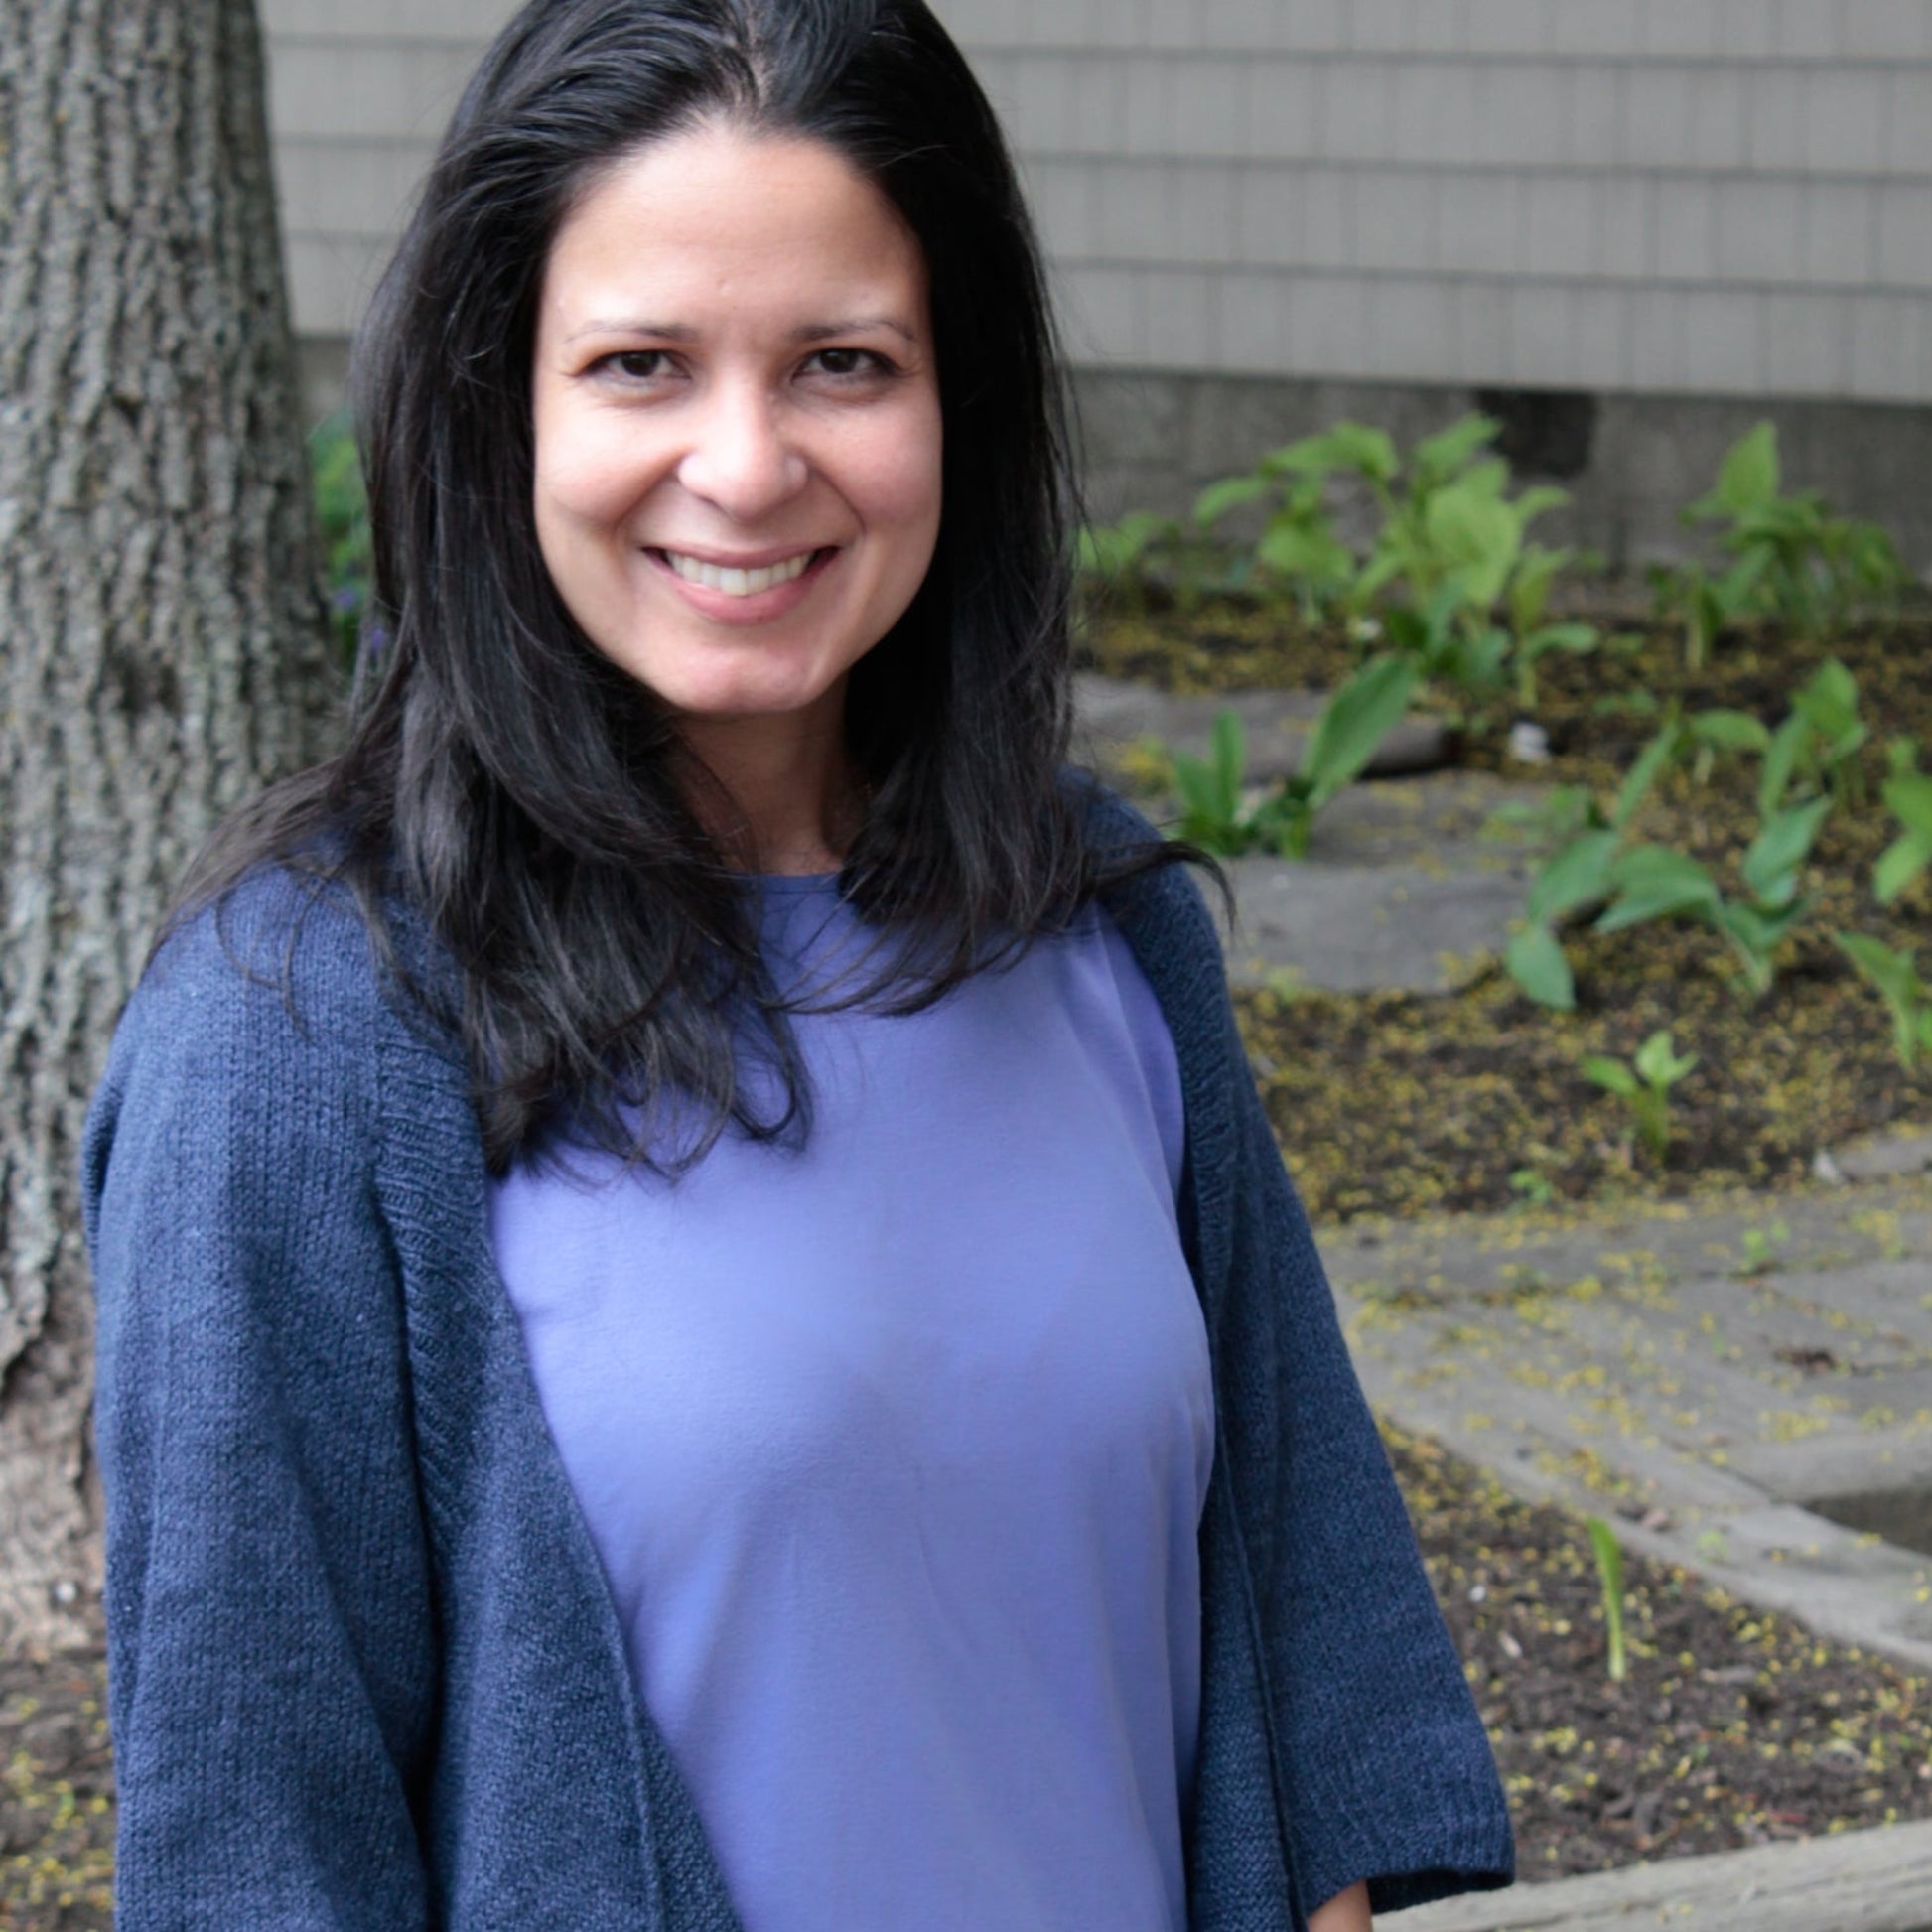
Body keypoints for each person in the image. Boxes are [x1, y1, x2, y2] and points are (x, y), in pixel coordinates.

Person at [81, 1, 1515, 1926]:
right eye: (640, 364)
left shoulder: (1101, 920)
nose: (744, 468)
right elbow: (259, 1849)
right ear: (500, 400)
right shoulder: (298, 1036)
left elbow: (1304, 1655)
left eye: (842, 361)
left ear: (958, 401)